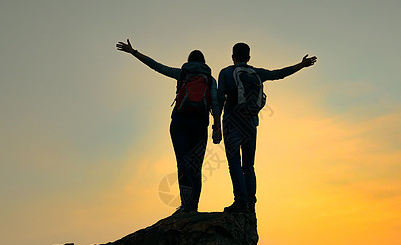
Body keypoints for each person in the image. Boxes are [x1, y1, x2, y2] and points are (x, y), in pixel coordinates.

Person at [116, 39, 221, 213]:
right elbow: (215, 103)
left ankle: (185, 206)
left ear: (188, 61)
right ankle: (193, 207)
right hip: (200, 124)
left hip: (179, 122)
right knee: (196, 167)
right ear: (204, 63)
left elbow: (156, 66)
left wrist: (133, 52)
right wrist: (217, 127)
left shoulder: (182, 73)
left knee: (182, 165)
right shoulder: (210, 80)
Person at [213, 42, 317, 213]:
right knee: (249, 165)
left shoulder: (226, 72)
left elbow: (219, 99)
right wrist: (302, 65)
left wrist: (216, 125)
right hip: (251, 123)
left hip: (232, 122)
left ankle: (240, 201)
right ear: (248, 58)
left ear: (233, 57)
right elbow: (279, 74)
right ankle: (250, 202)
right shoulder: (257, 73)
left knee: (234, 163)